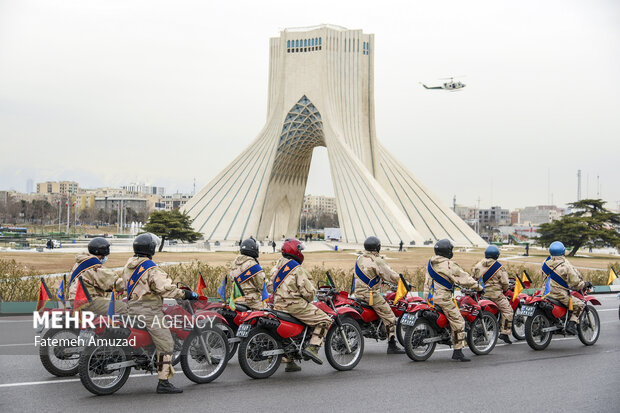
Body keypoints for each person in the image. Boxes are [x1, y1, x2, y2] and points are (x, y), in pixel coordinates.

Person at [122, 233, 197, 394]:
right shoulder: (151, 268)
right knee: (166, 344)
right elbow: (165, 289)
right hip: (149, 311)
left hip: (131, 308)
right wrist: (186, 294)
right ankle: (164, 382)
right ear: (151, 248)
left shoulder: (129, 264)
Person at [269, 238, 332, 372]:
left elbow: (269, 287)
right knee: (325, 319)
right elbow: (308, 293)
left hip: (277, 305)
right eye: (300, 250)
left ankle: (290, 362)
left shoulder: (276, 267)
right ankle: (313, 347)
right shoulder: (297, 269)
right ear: (294, 251)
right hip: (295, 306)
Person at [423, 239, 483, 362]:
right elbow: (464, 278)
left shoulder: (431, 262)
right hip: (442, 298)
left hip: (428, 297)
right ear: (448, 251)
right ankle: (458, 351)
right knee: (459, 321)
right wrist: (479, 287)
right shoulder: (449, 265)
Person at [354, 236, 405, 354]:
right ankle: (392, 345)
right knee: (390, 316)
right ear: (378, 247)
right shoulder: (377, 260)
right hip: (370, 295)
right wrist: (404, 282)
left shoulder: (359, 258)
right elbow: (390, 275)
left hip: (358, 294)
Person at [67, 237, 126, 316]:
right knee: (125, 307)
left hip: (76, 299)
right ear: (102, 253)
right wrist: (132, 283)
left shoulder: (80, 263)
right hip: (88, 301)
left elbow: (95, 282)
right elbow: (115, 282)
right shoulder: (94, 267)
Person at [541, 241, 590, 335]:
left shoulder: (545, 263)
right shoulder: (565, 265)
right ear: (563, 251)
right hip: (559, 295)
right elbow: (576, 283)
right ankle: (571, 325)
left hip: (545, 293)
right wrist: (584, 284)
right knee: (579, 305)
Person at [472, 245, 512, 344]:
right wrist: (505, 289)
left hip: (482, 296)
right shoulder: (499, 267)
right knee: (508, 311)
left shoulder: (477, 266)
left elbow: (473, 279)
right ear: (497, 255)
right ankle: (505, 332)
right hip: (496, 296)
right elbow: (505, 283)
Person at [227, 237, 266, 310]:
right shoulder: (253, 265)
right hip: (252, 301)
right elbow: (263, 285)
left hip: (236, 299)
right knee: (270, 313)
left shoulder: (233, 264)